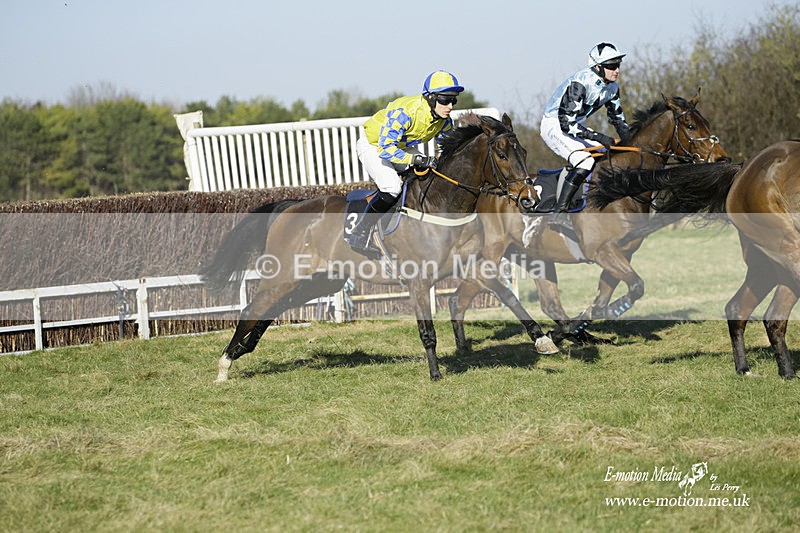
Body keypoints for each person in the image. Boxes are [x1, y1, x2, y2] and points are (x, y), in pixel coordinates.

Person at [350, 70, 464, 254]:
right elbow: (386, 149)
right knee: (392, 187)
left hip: (400, 145)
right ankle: (360, 232)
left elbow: (450, 150)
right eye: (445, 100)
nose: (450, 106)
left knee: (428, 175)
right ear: (431, 98)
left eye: (454, 100)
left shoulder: (444, 121)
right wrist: (416, 158)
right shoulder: (405, 112)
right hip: (373, 144)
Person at [540, 42, 631, 230]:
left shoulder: (612, 88)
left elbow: (618, 121)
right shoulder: (580, 83)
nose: (617, 71)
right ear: (598, 67)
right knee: (585, 161)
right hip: (554, 125)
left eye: (618, 65)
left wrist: (633, 142)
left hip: (574, 126)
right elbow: (566, 123)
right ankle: (559, 212)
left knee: (609, 155)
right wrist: (599, 137)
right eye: (611, 66)